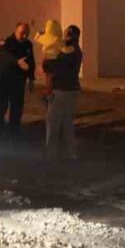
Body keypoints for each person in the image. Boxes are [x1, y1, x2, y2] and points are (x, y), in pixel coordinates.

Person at [42, 24, 83, 159]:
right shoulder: (76, 51)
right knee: (67, 125)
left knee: (53, 125)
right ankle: (72, 154)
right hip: (72, 90)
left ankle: (51, 155)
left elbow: (51, 66)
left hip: (61, 90)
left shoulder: (68, 51)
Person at [0, 22, 35, 134]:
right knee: (1, 107)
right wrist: (17, 62)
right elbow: (4, 55)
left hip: (18, 81)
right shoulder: (7, 42)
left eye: (27, 33)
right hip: (5, 80)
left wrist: (31, 78)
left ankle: (14, 130)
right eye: (22, 33)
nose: (25, 36)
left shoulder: (28, 44)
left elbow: (31, 61)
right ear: (15, 31)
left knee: (17, 108)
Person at [35, 20, 64, 103]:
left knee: (48, 78)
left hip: (46, 60)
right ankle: (49, 94)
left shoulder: (45, 38)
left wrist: (39, 33)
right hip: (54, 61)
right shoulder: (56, 39)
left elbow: (36, 38)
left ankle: (48, 93)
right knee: (52, 79)